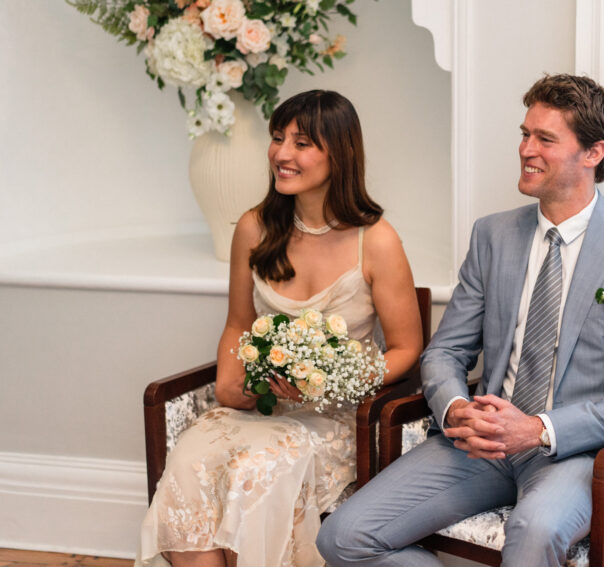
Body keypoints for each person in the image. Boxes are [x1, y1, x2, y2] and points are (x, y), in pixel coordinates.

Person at [317, 74, 604, 567]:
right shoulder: (493, 236)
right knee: (343, 536)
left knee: (534, 533)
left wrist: (538, 429)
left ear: (593, 153)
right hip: (482, 444)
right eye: (525, 133)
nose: (525, 149)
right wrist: (454, 410)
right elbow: (446, 352)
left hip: (576, 453)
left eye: (545, 139)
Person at [137, 90, 423, 567]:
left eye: (303, 142)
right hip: (260, 411)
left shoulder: (376, 240)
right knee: (190, 458)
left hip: (334, 420)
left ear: (341, 154)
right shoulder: (254, 227)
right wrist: (234, 386)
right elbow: (238, 323)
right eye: (277, 138)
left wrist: (336, 379)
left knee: (258, 470)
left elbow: (406, 348)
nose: (282, 154)